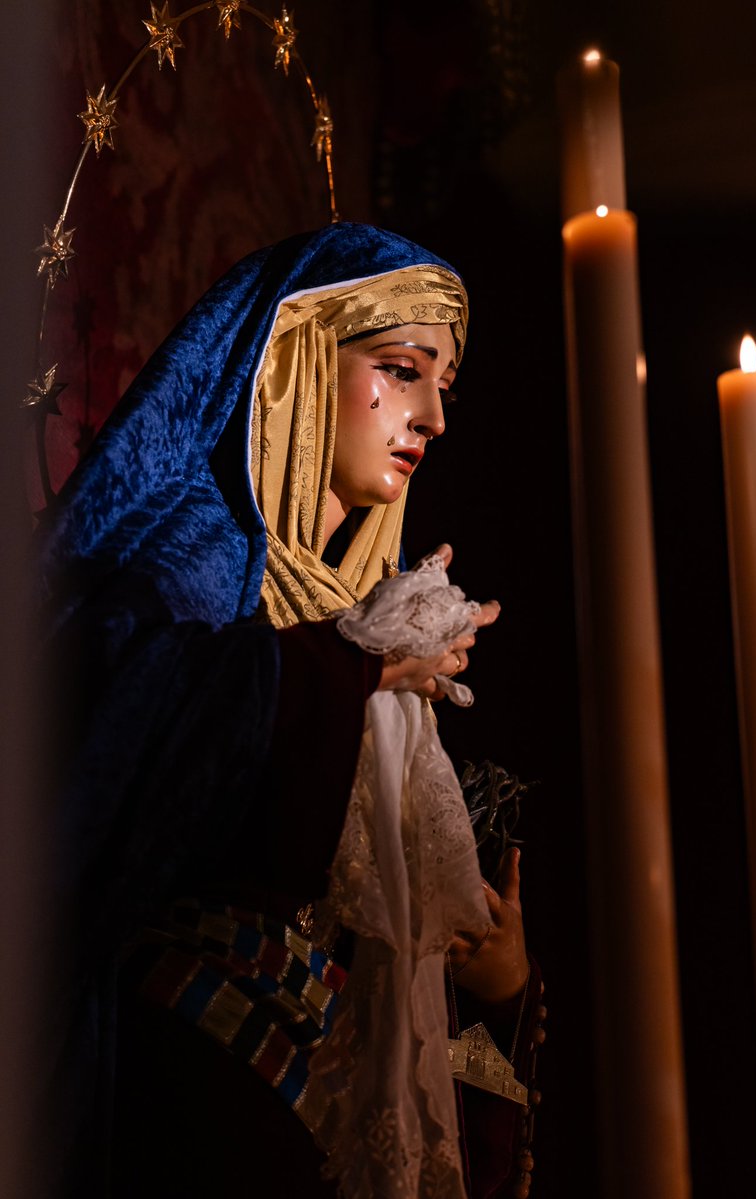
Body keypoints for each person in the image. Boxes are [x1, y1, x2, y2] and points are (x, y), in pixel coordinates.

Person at [39, 222, 540, 1198]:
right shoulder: (174, 576)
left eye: (440, 384)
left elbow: (379, 956)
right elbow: (96, 799)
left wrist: (493, 979)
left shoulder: (365, 626)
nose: (433, 416)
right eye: (400, 369)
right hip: (176, 1106)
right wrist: (353, 674)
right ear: (294, 362)